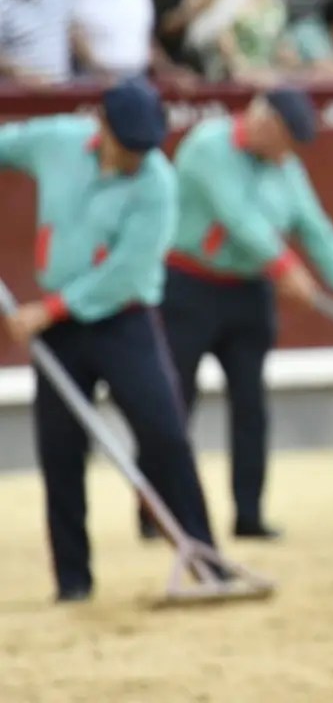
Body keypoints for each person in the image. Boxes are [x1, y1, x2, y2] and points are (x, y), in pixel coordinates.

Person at [139, 86, 333, 541]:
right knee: (175, 401)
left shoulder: (284, 165)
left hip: (249, 292)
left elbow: (317, 231)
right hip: (189, 289)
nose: (289, 154)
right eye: (287, 141)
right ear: (266, 124)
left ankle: (249, 515)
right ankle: (156, 511)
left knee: (251, 404)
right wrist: (285, 267)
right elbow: (239, 219)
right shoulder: (208, 145)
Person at [0, 78, 219, 603]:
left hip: (124, 322)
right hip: (59, 331)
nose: (139, 156)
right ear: (102, 125)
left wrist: (48, 309)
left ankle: (208, 562)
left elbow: (127, 271)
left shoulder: (156, 182)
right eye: (130, 145)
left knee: (164, 434)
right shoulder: (57, 141)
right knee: (60, 451)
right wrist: (51, 314)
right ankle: (73, 581)